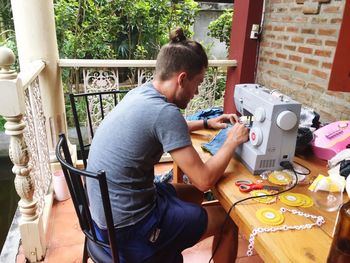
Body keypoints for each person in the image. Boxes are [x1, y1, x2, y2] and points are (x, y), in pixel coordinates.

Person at [86, 27, 249, 263]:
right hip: (130, 230)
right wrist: (231, 141)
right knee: (227, 218)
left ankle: (174, 231)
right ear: (182, 79)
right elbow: (203, 180)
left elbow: (165, 126)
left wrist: (206, 122)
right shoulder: (165, 112)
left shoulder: (141, 94)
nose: (197, 92)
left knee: (194, 195)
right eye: (198, 83)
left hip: (105, 219)